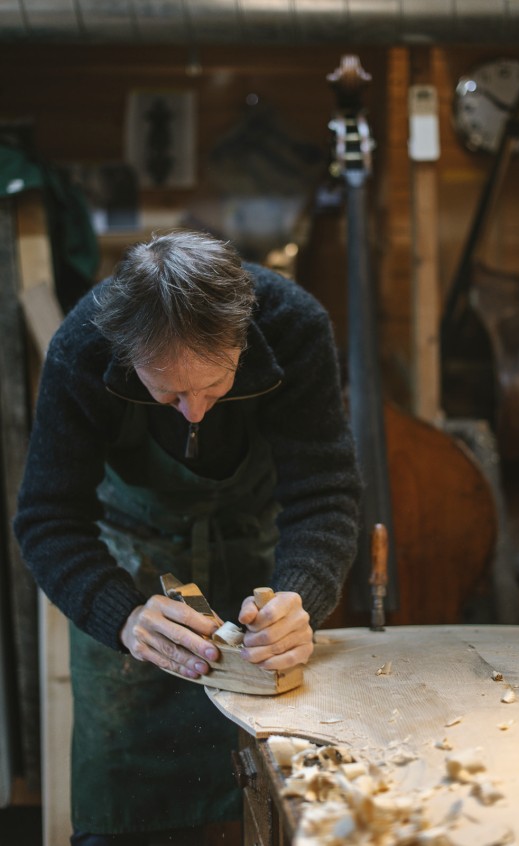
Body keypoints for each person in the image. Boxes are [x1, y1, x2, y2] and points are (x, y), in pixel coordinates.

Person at [14, 230, 361, 845]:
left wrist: (299, 597)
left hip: (255, 560)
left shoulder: (293, 325)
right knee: (126, 822)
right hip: (132, 580)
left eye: (215, 386)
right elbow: (48, 516)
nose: (195, 413)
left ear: (242, 340)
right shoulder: (83, 346)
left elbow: (324, 497)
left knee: (269, 807)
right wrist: (121, 617)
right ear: (127, 356)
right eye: (168, 393)